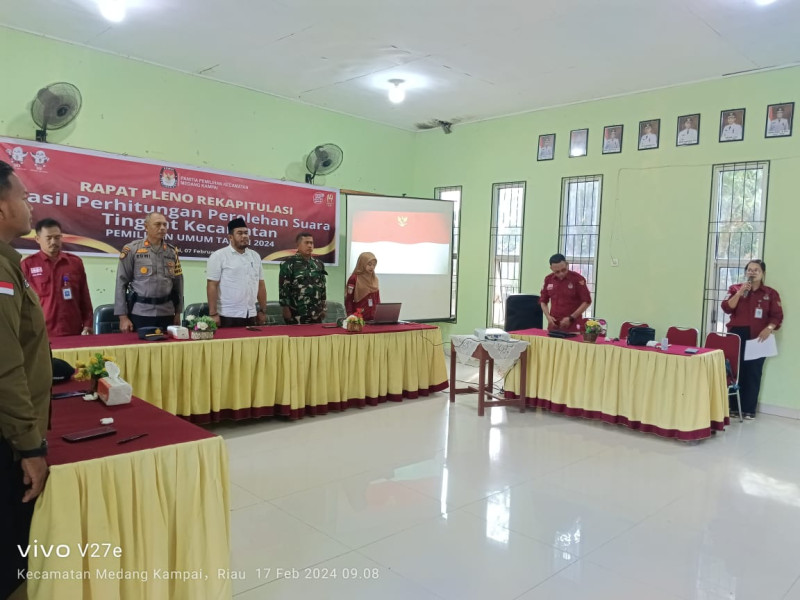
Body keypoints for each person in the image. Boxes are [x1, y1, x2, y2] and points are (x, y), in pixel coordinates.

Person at [0, 161, 51, 600]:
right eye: (23, 197)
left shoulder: (9, 263)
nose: (29, 205)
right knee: (11, 560)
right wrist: (30, 445)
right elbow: (5, 365)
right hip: (7, 439)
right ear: (1, 209)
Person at [721, 259, 783, 419]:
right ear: (745, 272)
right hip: (737, 335)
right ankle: (733, 408)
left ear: (763, 273)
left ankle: (749, 410)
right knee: (735, 371)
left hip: (759, 337)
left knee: (753, 372)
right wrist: (740, 292)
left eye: (756, 270)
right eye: (749, 269)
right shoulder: (735, 289)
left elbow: (777, 316)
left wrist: (769, 329)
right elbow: (727, 307)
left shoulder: (770, 293)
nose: (752, 272)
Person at [21, 218, 93, 337]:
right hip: (41, 332)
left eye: (57, 237)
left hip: (72, 330)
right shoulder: (28, 265)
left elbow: (84, 297)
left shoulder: (75, 263)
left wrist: (88, 324)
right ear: (38, 239)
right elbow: (22, 302)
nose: (54, 241)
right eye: (48, 238)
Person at [114, 211, 183, 332]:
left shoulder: (172, 252)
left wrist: (178, 312)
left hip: (167, 313)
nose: (162, 228)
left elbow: (178, 284)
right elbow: (121, 283)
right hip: (140, 313)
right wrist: (123, 317)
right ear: (146, 227)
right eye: (157, 224)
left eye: (165, 225)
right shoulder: (132, 249)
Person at [206, 217, 267, 328]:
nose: (244, 236)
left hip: (251, 314)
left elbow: (260, 284)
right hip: (227, 315)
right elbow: (212, 285)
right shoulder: (219, 256)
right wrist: (213, 313)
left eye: (246, 233)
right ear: (230, 237)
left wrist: (262, 310)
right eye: (239, 233)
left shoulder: (255, 256)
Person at [279, 231, 327, 324]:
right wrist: (285, 309)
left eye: (311, 243)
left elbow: (323, 287)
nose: (310, 245)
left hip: (316, 312)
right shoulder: (289, 263)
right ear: (298, 245)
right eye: (306, 243)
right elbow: (284, 288)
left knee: (316, 338)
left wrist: (324, 307)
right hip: (296, 312)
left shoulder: (318, 264)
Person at [539, 253, 592, 331]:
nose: (561, 273)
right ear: (551, 268)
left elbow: (587, 301)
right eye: (557, 272)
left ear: (567, 265)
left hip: (573, 327)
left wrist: (571, 318)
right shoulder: (548, 279)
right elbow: (543, 301)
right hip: (554, 326)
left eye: (563, 270)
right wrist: (548, 316)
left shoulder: (577, 279)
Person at [345, 252, 380, 320]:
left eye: (374, 265)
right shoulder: (354, 279)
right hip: (359, 318)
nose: (372, 267)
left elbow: (377, 299)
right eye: (369, 264)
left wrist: (379, 315)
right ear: (362, 263)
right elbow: (348, 300)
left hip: (374, 318)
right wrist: (350, 316)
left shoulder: (375, 279)